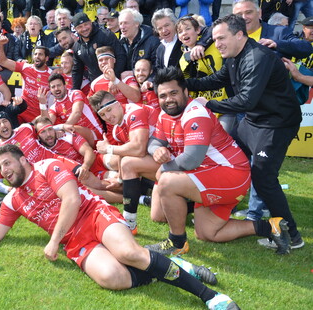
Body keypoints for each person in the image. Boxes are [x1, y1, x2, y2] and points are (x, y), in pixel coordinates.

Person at [0, 144, 239, 310]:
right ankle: (177, 268)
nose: (3, 170)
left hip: (93, 214)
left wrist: (53, 241)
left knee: (129, 254)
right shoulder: (14, 198)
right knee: (112, 278)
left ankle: (211, 297)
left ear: (23, 160)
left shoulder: (47, 167)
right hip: (76, 241)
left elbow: (72, 200)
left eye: (7, 163)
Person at [186, 14, 304, 252]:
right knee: (225, 160)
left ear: (239, 34)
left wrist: (208, 105)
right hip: (253, 121)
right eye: (215, 38)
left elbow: (246, 100)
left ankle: (291, 234)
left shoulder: (257, 57)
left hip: (276, 125)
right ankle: (211, 212)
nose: (216, 43)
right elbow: (216, 79)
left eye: (221, 38)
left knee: (263, 178)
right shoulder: (232, 56)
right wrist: (183, 83)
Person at [144, 66, 291, 257]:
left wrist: (163, 168)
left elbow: (190, 160)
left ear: (186, 92)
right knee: (206, 232)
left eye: (174, 93)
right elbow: (153, 142)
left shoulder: (195, 114)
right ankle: (269, 227)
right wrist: (157, 151)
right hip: (208, 174)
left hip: (231, 174)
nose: (168, 99)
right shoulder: (166, 114)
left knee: (166, 181)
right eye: (163, 95)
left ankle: (177, 243)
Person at [88, 89, 159, 233]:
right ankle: (186, 202)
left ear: (118, 103)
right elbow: (124, 152)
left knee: (128, 163)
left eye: (109, 110)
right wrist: (120, 180)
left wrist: (109, 149)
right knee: (159, 216)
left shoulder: (134, 112)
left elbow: (138, 149)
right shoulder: (116, 129)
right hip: (160, 163)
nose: (108, 116)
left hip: (174, 160)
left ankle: (129, 221)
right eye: (102, 114)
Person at [0, 36, 52, 123]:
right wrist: (0, 45)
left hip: (38, 116)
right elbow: (2, 61)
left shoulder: (52, 75)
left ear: (47, 58)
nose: (37, 56)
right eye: (35, 54)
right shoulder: (25, 67)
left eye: (40, 54)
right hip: (21, 111)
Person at [71, 12, 126, 90]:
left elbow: (121, 56)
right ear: (75, 29)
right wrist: (75, 90)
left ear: (90, 22)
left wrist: (115, 79)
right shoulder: (77, 46)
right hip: (97, 85)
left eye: (86, 24)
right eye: (80, 27)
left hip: (116, 81)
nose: (84, 28)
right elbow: (77, 70)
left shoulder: (106, 35)